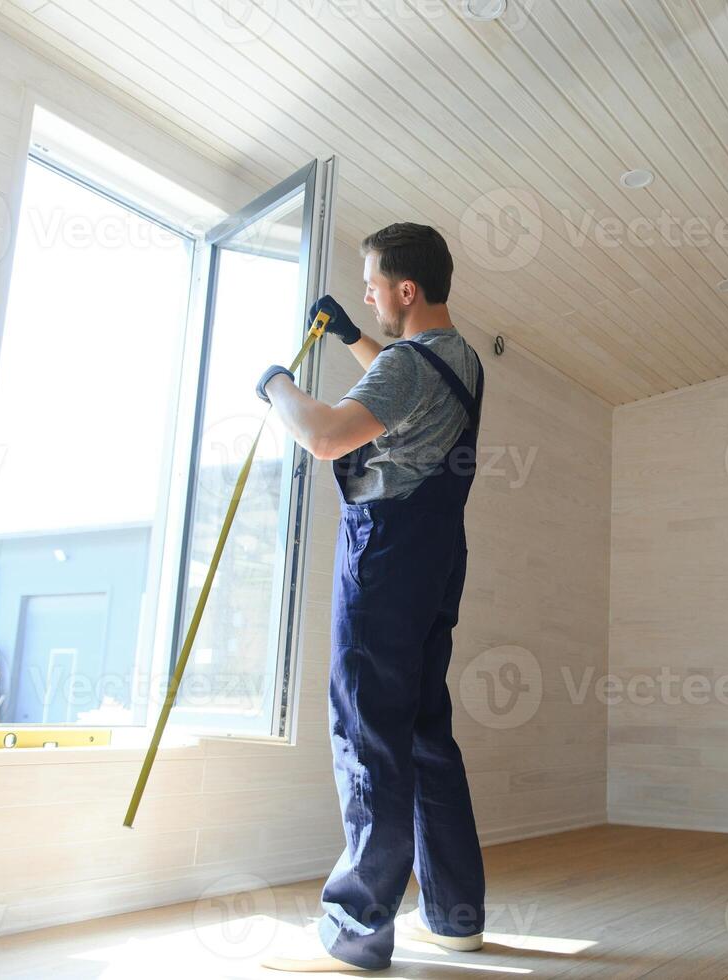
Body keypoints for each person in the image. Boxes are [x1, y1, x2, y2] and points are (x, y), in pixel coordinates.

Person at [254, 223, 487, 972]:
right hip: (436, 556)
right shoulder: (460, 358)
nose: (367, 292)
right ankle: (456, 920)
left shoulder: (410, 365)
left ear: (405, 290)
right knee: (423, 735)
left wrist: (275, 386)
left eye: (372, 285)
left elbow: (325, 436)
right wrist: (355, 335)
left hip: (384, 555)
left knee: (366, 734)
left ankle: (354, 931)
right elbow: (407, 383)